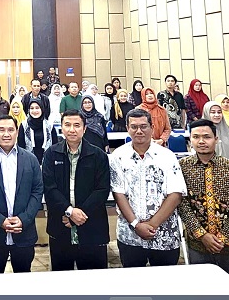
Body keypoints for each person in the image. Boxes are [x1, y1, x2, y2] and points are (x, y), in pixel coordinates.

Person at [110, 108, 186, 267]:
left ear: (152, 128)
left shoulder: (167, 156)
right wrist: (136, 225)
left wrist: (152, 225)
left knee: (165, 285)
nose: (139, 131)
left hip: (164, 234)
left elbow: (176, 194)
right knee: (134, 286)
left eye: (143, 126)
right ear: (127, 128)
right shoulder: (118, 156)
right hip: (130, 235)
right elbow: (118, 193)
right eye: (134, 127)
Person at [42, 109, 111, 271]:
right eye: (67, 125)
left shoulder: (98, 155)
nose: (72, 129)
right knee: (62, 282)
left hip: (92, 227)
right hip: (60, 227)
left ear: (84, 128)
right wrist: (69, 211)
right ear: (62, 128)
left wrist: (77, 215)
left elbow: (102, 190)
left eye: (77, 125)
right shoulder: (51, 154)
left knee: (93, 283)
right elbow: (49, 188)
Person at [0, 116, 43, 273]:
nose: (6, 134)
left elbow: (37, 191)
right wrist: (0, 221)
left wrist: (24, 219)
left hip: (24, 232)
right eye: (2, 130)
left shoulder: (30, 160)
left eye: (11, 130)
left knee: (23, 276)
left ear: (17, 132)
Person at [178, 119, 229, 273]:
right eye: (196, 137)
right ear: (190, 139)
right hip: (197, 243)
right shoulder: (182, 167)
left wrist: (223, 237)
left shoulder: (227, 167)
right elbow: (181, 204)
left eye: (206, 137)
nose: (201, 141)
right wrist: (202, 235)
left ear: (216, 139)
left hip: (226, 243)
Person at [18, 99, 58, 164]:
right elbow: (21, 146)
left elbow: (55, 145)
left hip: (47, 162)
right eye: (32, 108)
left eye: (37, 108)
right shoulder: (24, 125)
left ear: (42, 109)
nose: (34, 111)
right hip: (28, 162)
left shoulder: (49, 125)